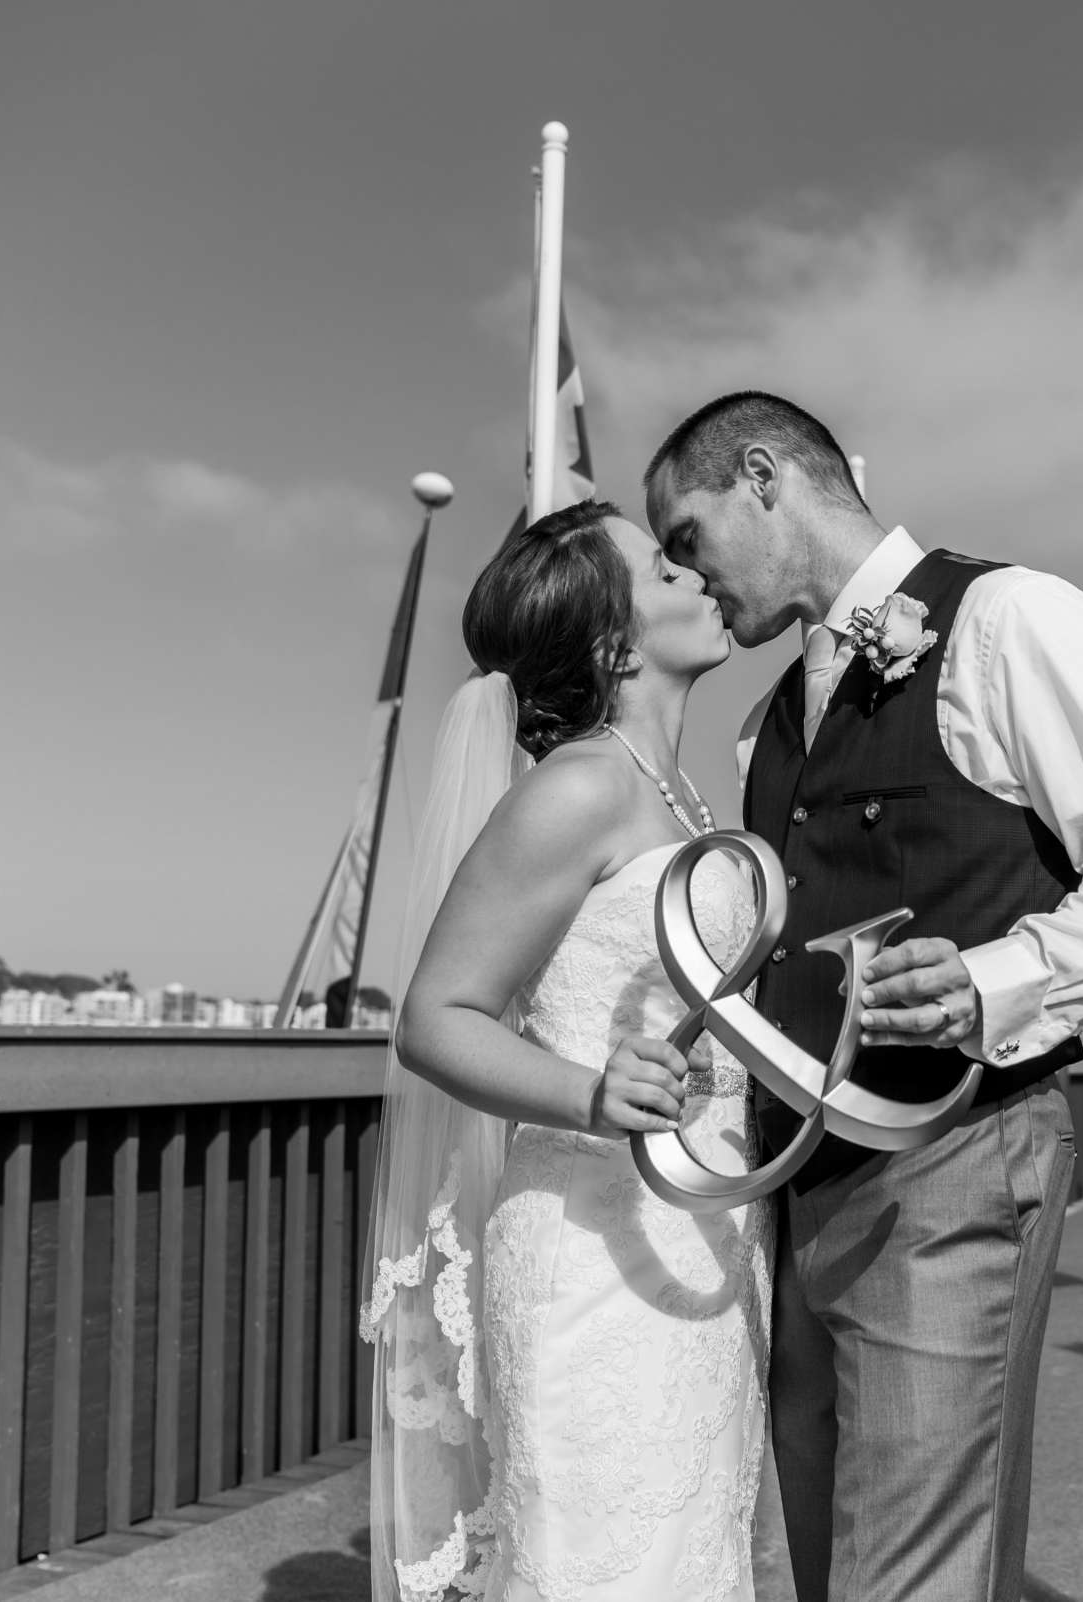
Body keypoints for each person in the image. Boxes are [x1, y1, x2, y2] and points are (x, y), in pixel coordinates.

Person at [644, 392, 1083, 1602]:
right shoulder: (760, 730)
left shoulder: (1013, 619)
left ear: (763, 477)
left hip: (957, 1154)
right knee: (823, 1558)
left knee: (907, 1575)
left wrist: (986, 982)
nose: (689, 580)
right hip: (799, 1190)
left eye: (688, 536)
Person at [365, 499, 780, 1602]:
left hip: (704, 1237)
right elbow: (436, 1016)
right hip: (595, 1258)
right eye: (665, 570)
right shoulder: (580, 786)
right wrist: (594, 1094)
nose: (697, 576)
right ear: (613, 642)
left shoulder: (685, 799)